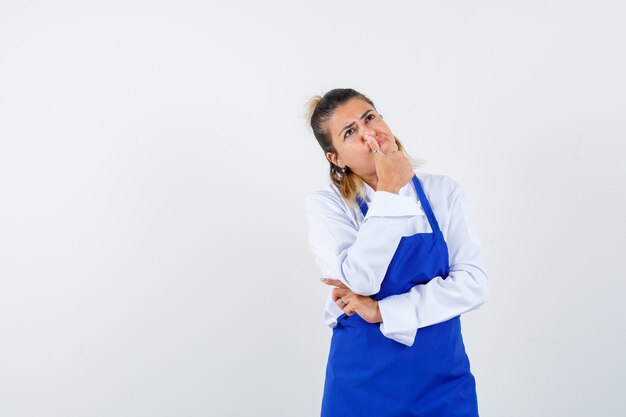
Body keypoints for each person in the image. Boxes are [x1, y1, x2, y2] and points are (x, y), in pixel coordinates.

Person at [304, 88, 490, 417]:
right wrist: (388, 189)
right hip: (362, 387)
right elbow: (361, 281)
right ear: (336, 158)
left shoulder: (442, 192)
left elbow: (474, 284)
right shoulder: (328, 206)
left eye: (370, 117)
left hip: (443, 383)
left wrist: (384, 312)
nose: (369, 133)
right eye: (350, 132)